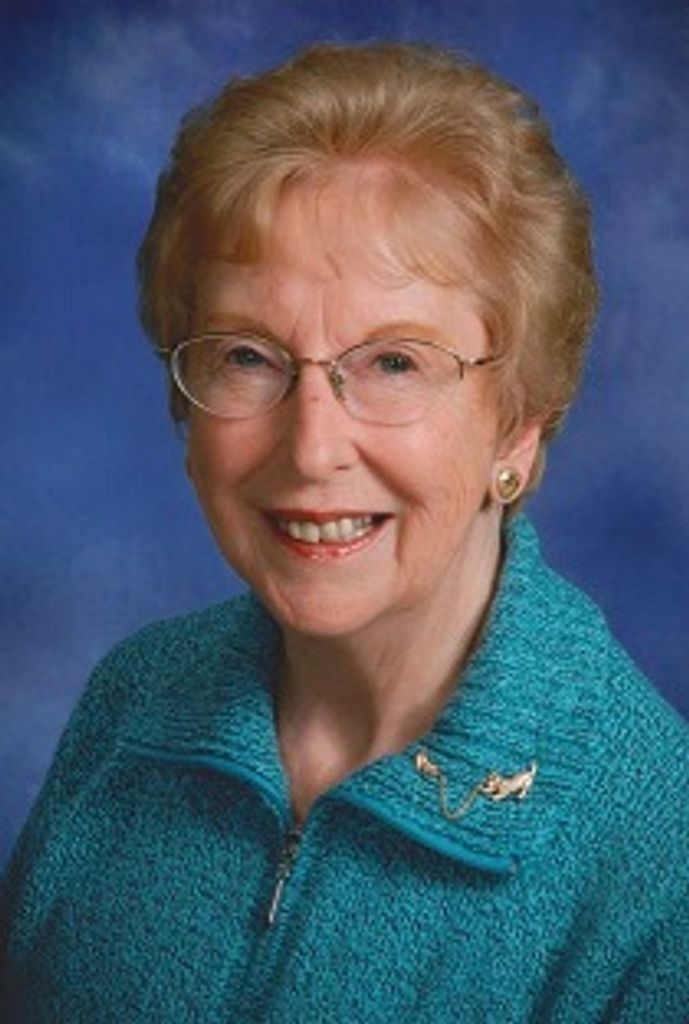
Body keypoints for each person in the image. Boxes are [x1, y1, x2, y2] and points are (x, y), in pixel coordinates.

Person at [1, 41, 688, 1023]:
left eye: (394, 363)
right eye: (247, 355)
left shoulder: (656, 854)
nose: (312, 447)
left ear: (519, 427)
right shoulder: (132, 706)